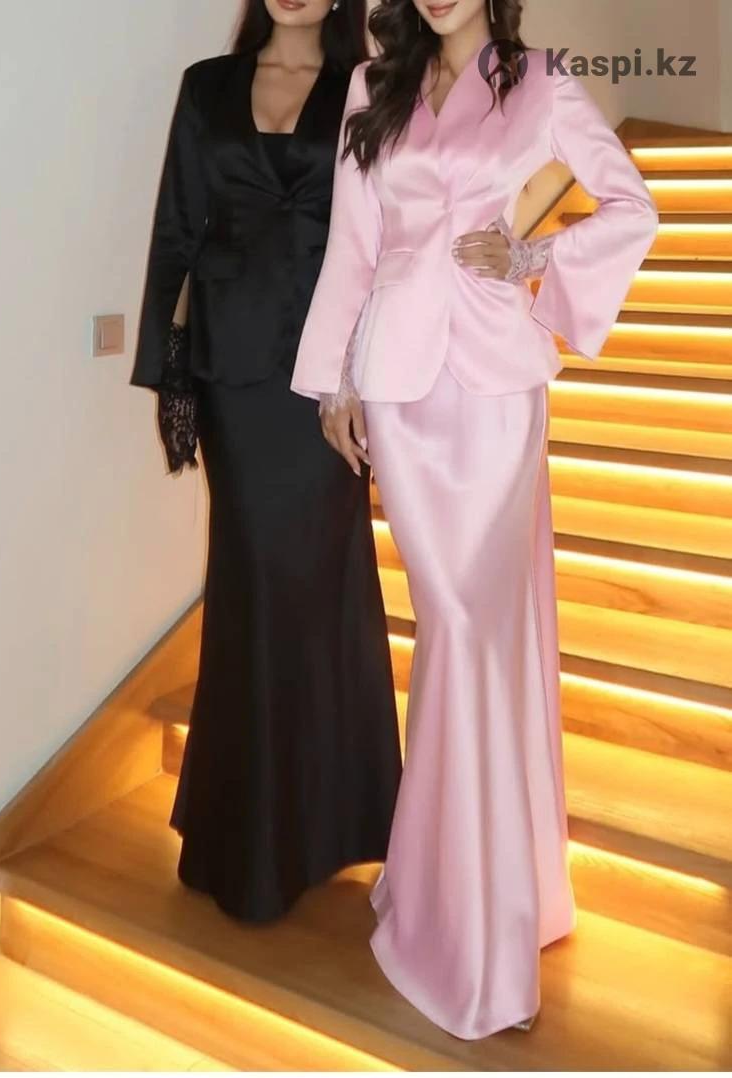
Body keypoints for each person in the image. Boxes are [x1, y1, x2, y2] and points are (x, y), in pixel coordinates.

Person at [291, 0, 658, 1038]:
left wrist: (530, 252)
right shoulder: (372, 88)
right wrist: (333, 382)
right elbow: (354, 246)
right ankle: (460, 890)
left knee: (469, 635)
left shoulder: (540, 81)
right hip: (400, 392)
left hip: (497, 388)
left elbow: (626, 205)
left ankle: (483, 923)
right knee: (452, 631)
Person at [130, 0, 402, 924]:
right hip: (235, 378)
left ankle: (333, 825)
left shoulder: (369, 89)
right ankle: (243, 842)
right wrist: (171, 376)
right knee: (249, 588)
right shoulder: (205, 87)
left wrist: (372, 373)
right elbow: (176, 228)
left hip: (327, 384)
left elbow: (386, 239)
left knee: (325, 592)